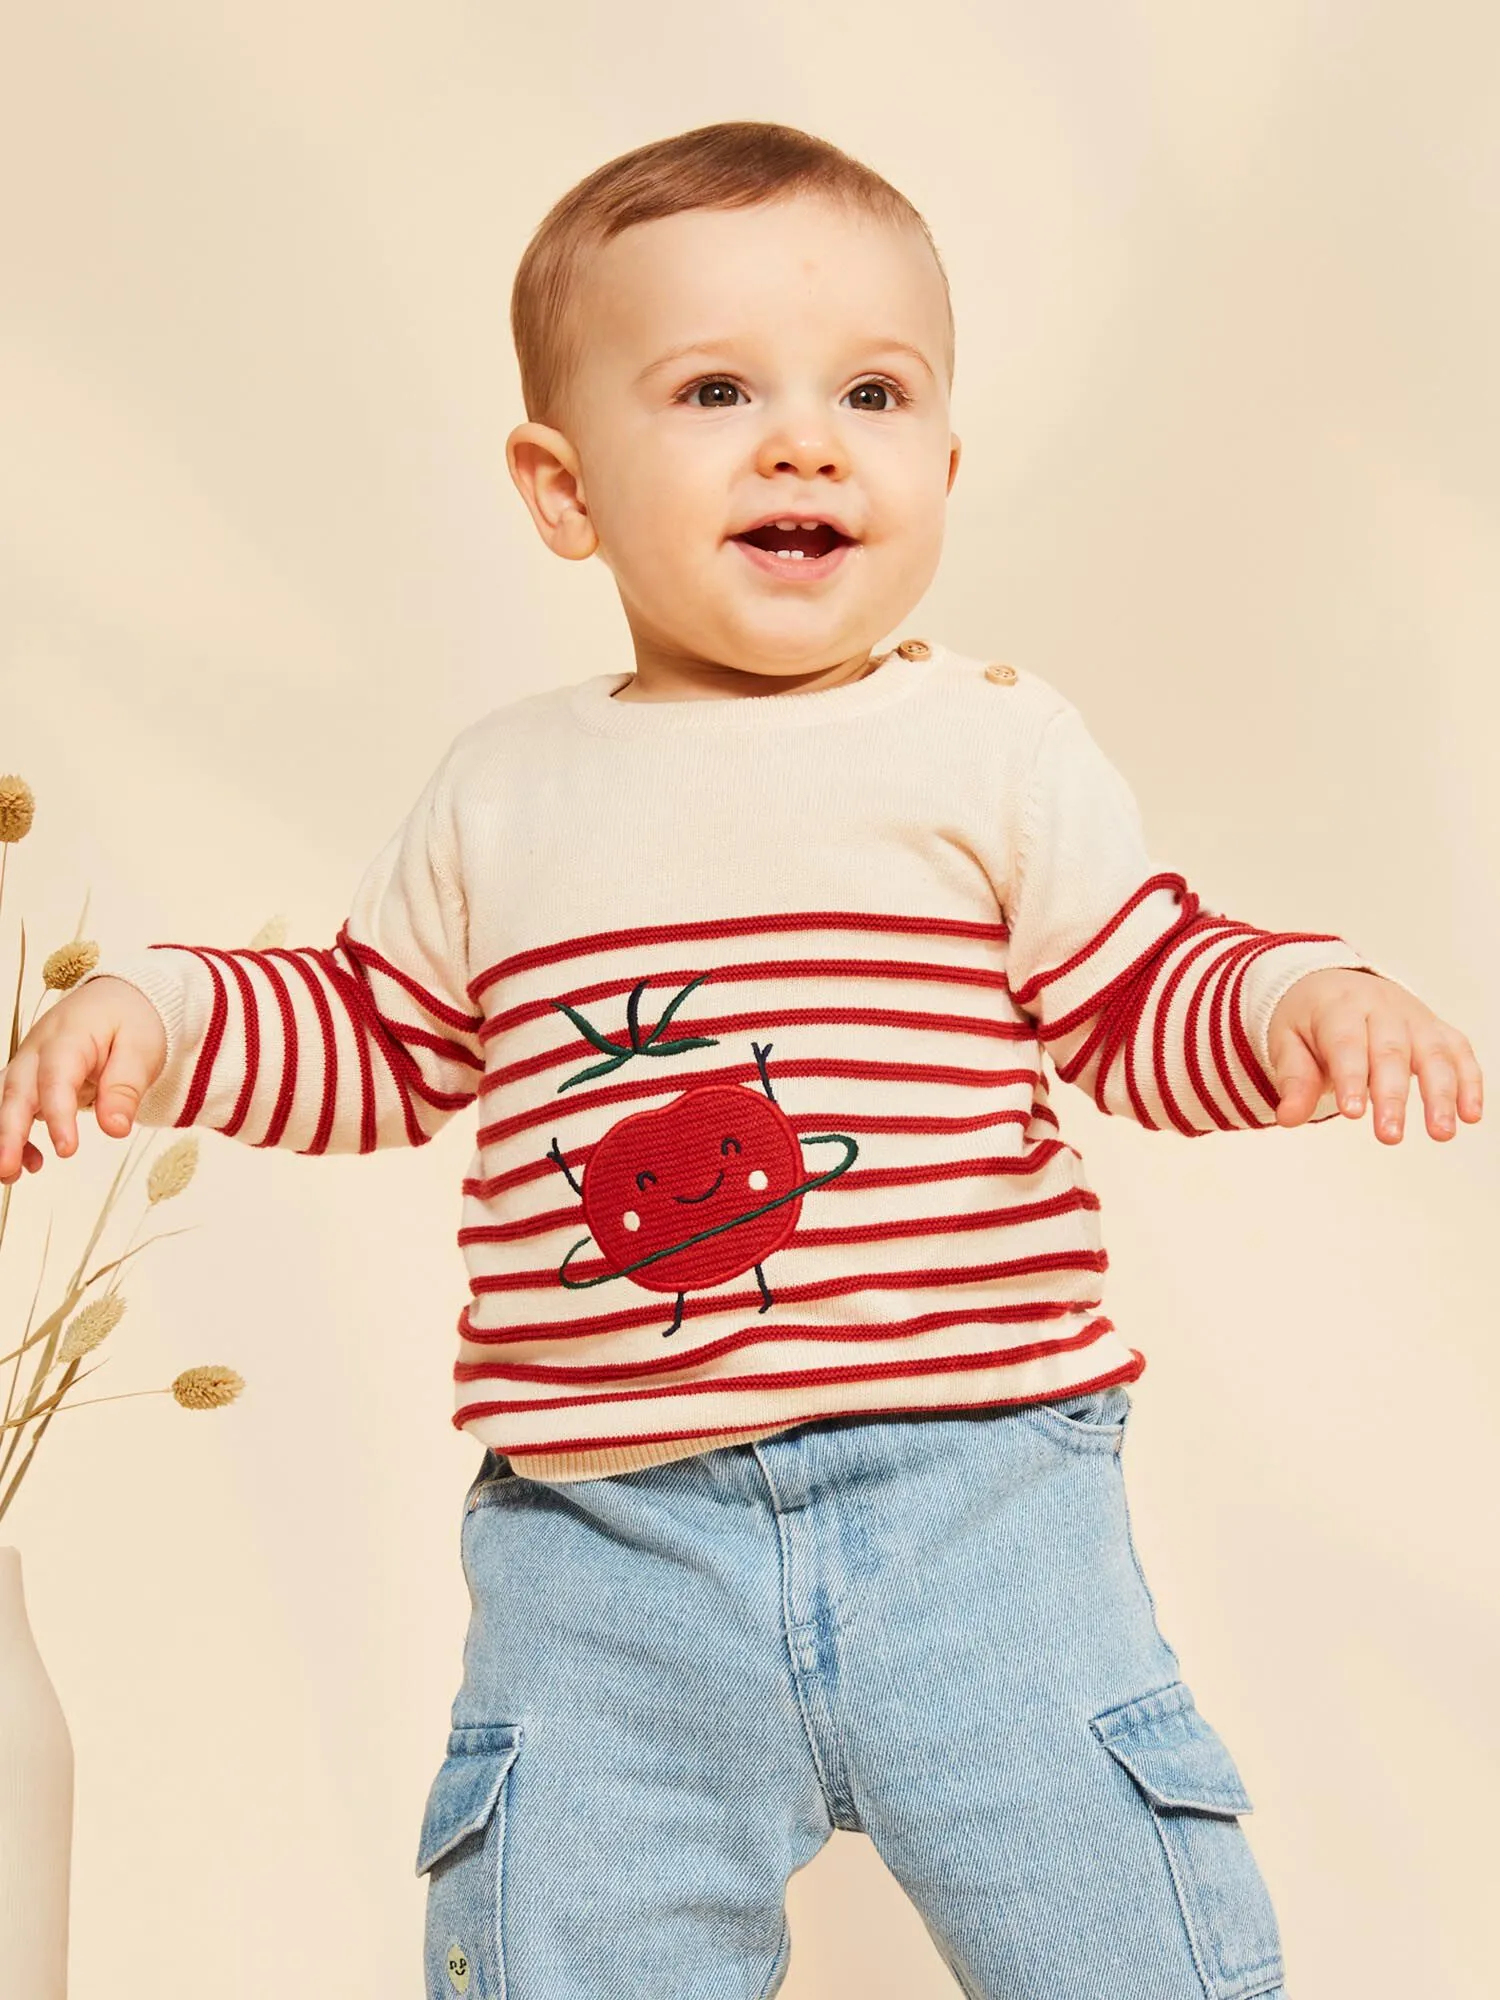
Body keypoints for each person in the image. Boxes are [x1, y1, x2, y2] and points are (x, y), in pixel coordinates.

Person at [0, 120, 1482, 1999]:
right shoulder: (506, 787)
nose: (806, 442)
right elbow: (381, 1037)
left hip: (984, 1507)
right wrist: (165, 1013)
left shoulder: (989, 749)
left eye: (872, 392)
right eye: (715, 391)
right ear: (564, 488)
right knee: (564, 1941)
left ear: (943, 464)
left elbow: (1138, 991)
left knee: (1129, 1936)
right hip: (604, 1550)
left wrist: (1299, 1006)